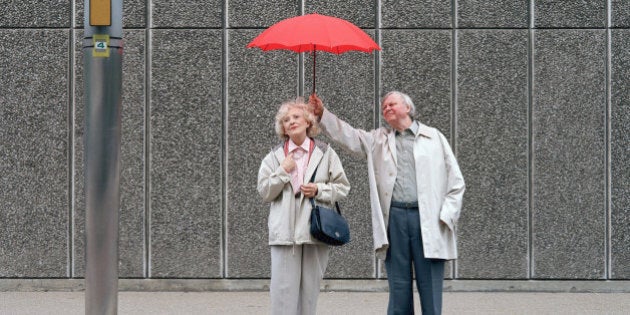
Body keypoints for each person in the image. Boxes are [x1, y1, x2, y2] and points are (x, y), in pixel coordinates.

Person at [309, 91, 465, 315]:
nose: (387, 108)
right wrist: (323, 114)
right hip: (395, 219)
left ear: (407, 108)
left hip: (429, 219)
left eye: (392, 104)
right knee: (399, 287)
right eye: (384, 107)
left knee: (430, 288)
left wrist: (446, 216)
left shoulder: (434, 137)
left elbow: (456, 181)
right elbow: (349, 136)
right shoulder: (378, 139)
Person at [257, 97, 350, 315]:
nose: (291, 121)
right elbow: (264, 191)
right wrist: (282, 171)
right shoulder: (274, 157)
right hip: (285, 234)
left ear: (308, 122)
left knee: (309, 296)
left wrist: (319, 190)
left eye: (296, 116)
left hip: (315, 232)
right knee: (282, 296)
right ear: (283, 128)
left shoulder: (326, 153)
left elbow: (342, 187)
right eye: (286, 120)